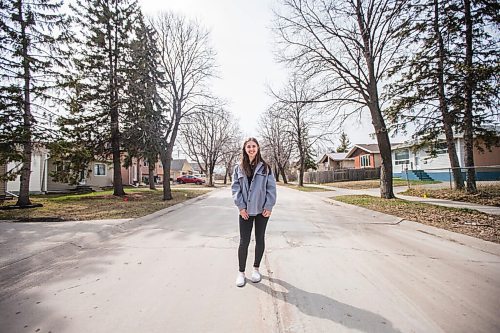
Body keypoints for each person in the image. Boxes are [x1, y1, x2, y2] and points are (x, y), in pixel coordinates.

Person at [231, 137, 277, 287]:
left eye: (254, 146)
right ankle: (241, 272)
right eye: (248, 146)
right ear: (245, 149)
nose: (251, 149)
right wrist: (241, 207)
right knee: (244, 241)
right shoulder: (238, 167)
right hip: (245, 211)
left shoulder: (265, 167)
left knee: (260, 239)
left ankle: (256, 269)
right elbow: (235, 188)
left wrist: (269, 206)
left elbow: (271, 188)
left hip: (261, 210)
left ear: (258, 148)